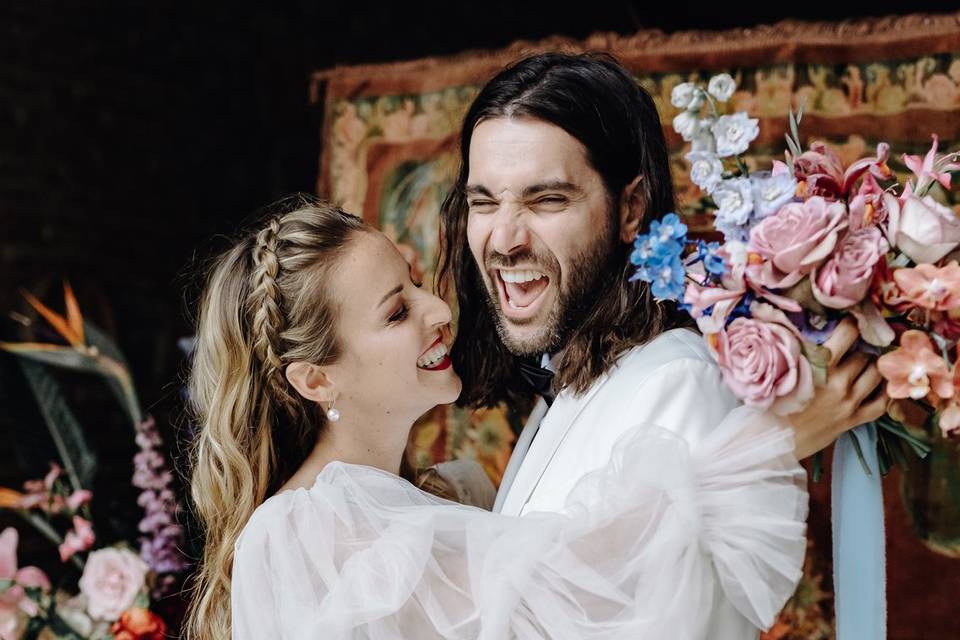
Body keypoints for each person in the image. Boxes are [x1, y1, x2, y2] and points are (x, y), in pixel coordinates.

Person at [183, 197, 842, 639]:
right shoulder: (302, 531)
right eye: (395, 312)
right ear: (316, 378)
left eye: (415, 281)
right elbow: (583, 573)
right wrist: (766, 445)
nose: (436, 309)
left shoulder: (446, 495)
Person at [437, 52, 887, 638]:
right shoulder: (570, 379)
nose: (504, 238)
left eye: (546, 200)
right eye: (484, 201)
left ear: (631, 208)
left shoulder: (674, 382)